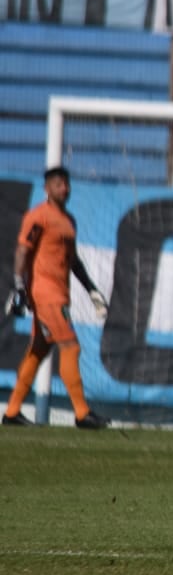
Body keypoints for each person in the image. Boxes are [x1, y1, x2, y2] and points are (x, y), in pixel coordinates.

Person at [3, 167, 111, 429]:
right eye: (59, 184)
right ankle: (82, 413)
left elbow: (73, 261)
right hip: (45, 295)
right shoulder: (38, 216)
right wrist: (18, 285)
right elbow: (22, 251)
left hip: (60, 295)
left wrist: (92, 289)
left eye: (67, 184)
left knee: (38, 350)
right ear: (48, 189)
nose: (66, 189)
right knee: (70, 347)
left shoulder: (69, 221)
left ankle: (12, 412)